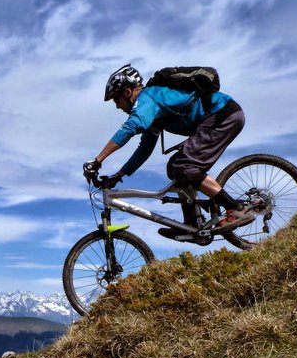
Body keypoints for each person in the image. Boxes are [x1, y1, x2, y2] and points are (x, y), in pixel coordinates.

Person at [82, 64, 254, 237]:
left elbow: (131, 127)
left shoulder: (147, 98)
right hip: (216, 119)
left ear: (127, 92)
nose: (117, 107)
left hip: (222, 114)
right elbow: (145, 149)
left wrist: (98, 160)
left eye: (116, 100)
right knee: (174, 167)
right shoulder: (152, 111)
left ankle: (236, 209)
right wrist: (119, 175)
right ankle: (192, 223)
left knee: (185, 166)